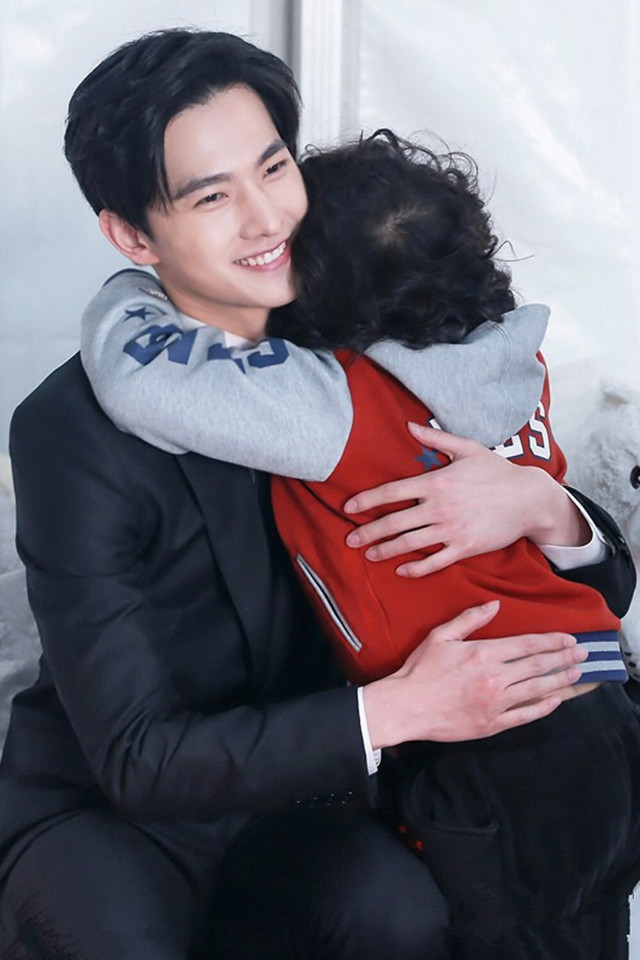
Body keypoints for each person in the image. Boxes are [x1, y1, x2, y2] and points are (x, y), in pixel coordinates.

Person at [0, 29, 635, 960]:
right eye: (212, 196)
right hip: (121, 810)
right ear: (133, 237)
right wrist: (401, 710)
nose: (266, 220)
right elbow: (136, 754)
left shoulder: (372, 323)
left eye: (274, 169)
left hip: (317, 795)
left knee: (407, 906)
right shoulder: (75, 428)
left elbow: (597, 587)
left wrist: (541, 507)